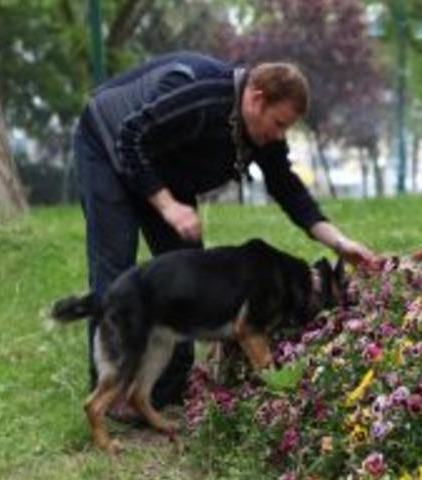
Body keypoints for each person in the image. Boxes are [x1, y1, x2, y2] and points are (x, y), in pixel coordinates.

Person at [73, 51, 377, 412]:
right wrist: (168, 206)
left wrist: (339, 243)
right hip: (108, 143)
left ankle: (167, 392)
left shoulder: (260, 131)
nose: (279, 135)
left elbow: (287, 188)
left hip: (165, 167)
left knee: (189, 277)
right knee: (116, 265)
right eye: (278, 124)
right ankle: (112, 395)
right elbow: (130, 139)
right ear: (257, 98)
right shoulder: (203, 98)